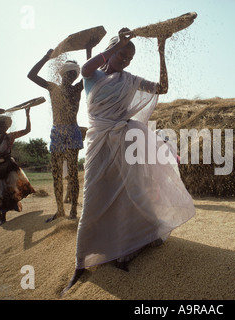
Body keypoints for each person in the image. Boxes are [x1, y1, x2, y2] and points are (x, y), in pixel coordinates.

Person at [62, 28, 195, 294]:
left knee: (129, 193)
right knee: (93, 197)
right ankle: (81, 262)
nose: (126, 60)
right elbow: (87, 67)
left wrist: (160, 50)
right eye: (123, 53)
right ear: (113, 50)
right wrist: (117, 44)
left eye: (130, 57)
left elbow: (163, 88)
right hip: (99, 143)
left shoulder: (130, 79)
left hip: (123, 143)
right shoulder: (93, 76)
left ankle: (130, 246)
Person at [27, 46, 93, 222]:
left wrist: (89, 50)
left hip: (71, 130)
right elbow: (31, 75)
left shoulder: (77, 88)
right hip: (57, 131)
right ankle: (60, 210)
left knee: (72, 173)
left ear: (76, 76)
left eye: (74, 74)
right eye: (68, 73)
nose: (71, 76)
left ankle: (72, 211)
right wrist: (46, 57)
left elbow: (90, 71)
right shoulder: (53, 87)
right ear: (62, 74)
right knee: (56, 173)